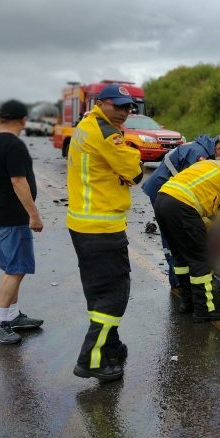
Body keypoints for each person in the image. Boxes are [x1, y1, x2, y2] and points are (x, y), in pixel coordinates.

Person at [67, 83, 143, 383]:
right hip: (101, 227)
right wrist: (131, 154)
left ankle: (110, 344)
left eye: (128, 107)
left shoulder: (87, 125)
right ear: (101, 103)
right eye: (118, 105)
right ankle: (92, 359)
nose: (124, 112)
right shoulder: (105, 132)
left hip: (83, 224)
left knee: (99, 292)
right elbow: (135, 172)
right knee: (114, 294)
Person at [0, 99, 44, 344]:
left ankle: (12, 315)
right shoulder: (13, 144)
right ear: (23, 120)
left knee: (13, 266)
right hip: (12, 216)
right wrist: (33, 215)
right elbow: (18, 181)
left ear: (0, 117)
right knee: (16, 269)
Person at [154, 158, 220, 322]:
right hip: (182, 206)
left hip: (162, 201)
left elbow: (207, 203)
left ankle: (187, 302)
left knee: (181, 256)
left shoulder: (210, 165)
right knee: (200, 258)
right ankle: (204, 309)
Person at [142, 132, 220, 289]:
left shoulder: (205, 148)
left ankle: (182, 277)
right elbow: (193, 189)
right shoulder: (199, 155)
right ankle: (177, 279)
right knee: (174, 235)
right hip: (163, 190)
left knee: (179, 233)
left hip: (169, 191)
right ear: (219, 147)